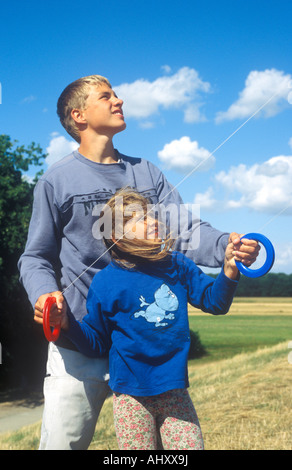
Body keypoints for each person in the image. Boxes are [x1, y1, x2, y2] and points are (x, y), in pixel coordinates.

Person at [18, 74, 259, 450]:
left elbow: (186, 230)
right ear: (78, 115)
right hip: (80, 338)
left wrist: (228, 247)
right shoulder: (56, 181)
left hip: (145, 350)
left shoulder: (146, 172)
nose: (119, 100)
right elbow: (35, 256)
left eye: (116, 94)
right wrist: (47, 296)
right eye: (106, 96)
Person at [53, 188, 241, 450]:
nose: (154, 222)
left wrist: (229, 269)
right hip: (130, 397)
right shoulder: (105, 282)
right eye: (141, 219)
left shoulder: (177, 265)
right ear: (117, 235)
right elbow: (95, 342)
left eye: (152, 216)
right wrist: (67, 324)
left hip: (175, 391)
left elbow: (215, 301)